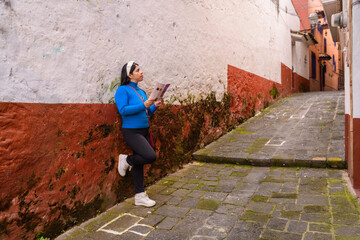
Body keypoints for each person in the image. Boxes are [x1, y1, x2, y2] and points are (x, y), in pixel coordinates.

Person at [115, 61, 163, 207]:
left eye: (140, 69)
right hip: (132, 131)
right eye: (137, 70)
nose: (141, 72)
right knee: (150, 156)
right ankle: (126, 160)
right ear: (129, 75)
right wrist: (144, 105)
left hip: (144, 130)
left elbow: (146, 112)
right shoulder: (122, 90)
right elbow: (123, 110)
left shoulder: (141, 92)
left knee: (140, 162)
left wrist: (154, 106)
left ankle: (139, 195)